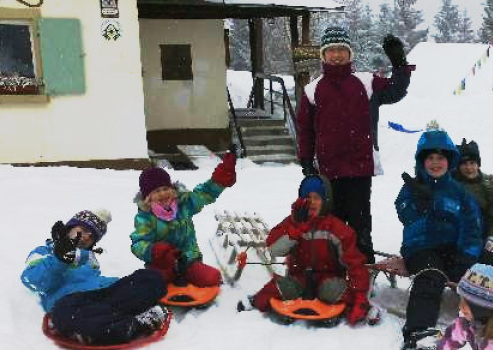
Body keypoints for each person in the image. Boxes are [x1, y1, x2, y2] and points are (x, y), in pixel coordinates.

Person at [297, 26, 413, 264]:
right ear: (323, 55)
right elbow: (305, 130)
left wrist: (400, 64)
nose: (337, 55)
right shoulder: (312, 90)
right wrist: (306, 161)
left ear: (350, 54)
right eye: (331, 50)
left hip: (360, 167)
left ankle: (363, 266)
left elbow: (396, 92)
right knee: (332, 220)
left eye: (342, 50)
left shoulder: (367, 82)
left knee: (360, 222)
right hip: (328, 170)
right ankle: (332, 266)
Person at [395, 123, 483, 350]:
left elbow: (471, 225)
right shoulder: (412, 187)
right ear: (422, 161)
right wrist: (421, 205)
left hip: (452, 249)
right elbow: (404, 213)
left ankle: (491, 320)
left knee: (482, 272)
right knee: (431, 275)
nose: (436, 163)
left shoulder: (458, 191)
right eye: (431, 158)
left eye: (441, 158)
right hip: (421, 247)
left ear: (450, 161)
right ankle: (418, 329)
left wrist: (467, 254)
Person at [21, 209, 168, 345]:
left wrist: (122, 284)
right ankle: (137, 324)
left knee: (150, 277)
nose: (86, 237)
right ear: (69, 228)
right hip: (71, 304)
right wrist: (59, 260)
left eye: (92, 237)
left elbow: (95, 280)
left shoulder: (88, 257)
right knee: (64, 314)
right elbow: (33, 281)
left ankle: (112, 320)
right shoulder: (44, 252)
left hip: (100, 299)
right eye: (83, 230)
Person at [246, 174, 371, 326]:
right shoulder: (292, 223)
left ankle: (367, 309)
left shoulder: (337, 228)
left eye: (317, 198)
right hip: (300, 277)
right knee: (281, 286)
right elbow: (274, 249)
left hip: (328, 279)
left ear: (325, 201)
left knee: (336, 290)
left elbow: (355, 264)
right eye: (308, 198)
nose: (311, 202)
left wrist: (359, 297)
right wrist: (296, 228)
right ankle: (255, 301)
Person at [130, 151, 237, 286]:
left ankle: (187, 274)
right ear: (148, 197)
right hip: (162, 263)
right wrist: (155, 251)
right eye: (156, 191)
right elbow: (138, 244)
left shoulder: (184, 203)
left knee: (212, 278)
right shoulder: (145, 217)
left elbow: (205, 193)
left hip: (189, 258)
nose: (163, 193)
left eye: (165, 188)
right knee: (152, 282)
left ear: (172, 189)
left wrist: (220, 178)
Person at [453, 138, 493, 271]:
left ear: (478, 164)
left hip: (478, 240)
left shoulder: (490, 190)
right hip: (453, 239)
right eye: (464, 164)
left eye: (472, 163)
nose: (469, 168)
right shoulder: (451, 185)